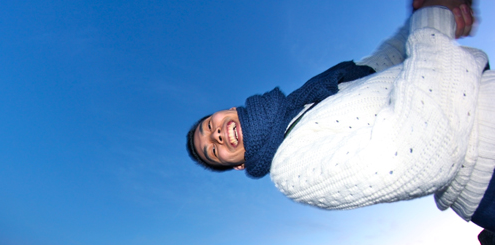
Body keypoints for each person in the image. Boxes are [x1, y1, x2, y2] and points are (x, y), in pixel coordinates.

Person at [186, 0, 495, 231]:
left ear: (227, 111)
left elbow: (382, 63)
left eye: (209, 124)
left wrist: (424, 11)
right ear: (238, 164)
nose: (215, 134)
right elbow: (417, 153)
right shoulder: (291, 169)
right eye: (213, 149)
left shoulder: (303, 104)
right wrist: (432, 20)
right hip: (485, 159)